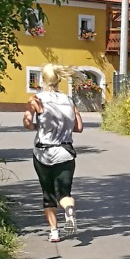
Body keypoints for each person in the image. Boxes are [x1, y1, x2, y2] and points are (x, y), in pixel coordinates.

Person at [24, 64, 83, 242]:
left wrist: (36, 126)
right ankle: (69, 210)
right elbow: (79, 128)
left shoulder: (36, 100)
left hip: (43, 153)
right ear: (59, 80)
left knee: (48, 193)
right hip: (65, 152)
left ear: (43, 80)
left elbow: (27, 122)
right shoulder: (69, 100)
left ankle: (54, 232)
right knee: (64, 194)